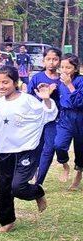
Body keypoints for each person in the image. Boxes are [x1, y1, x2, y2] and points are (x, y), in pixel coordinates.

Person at [0, 66, 56, 232]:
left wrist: (46, 99)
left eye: (5, 82)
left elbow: (49, 114)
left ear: (15, 82)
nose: (1, 86)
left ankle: (37, 191)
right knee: (4, 187)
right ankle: (7, 221)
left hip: (26, 150)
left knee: (18, 187)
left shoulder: (27, 101)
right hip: (4, 153)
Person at [29, 47, 70, 186]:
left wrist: (56, 91)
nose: (51, 62)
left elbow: (66, 100)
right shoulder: (36, 78)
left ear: (59, 61)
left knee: (50, 149)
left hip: (56, 120)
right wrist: (42, 93)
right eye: (48, 59)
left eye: (55, 59)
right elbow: (29, 99)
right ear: (43, 60)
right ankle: (32, 173)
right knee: (36, 148)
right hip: (38, 119)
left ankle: (39, 182)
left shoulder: (63, 80)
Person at [54, 53, 83, 190]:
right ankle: (65, 166)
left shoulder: (80, 81)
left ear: (76, 68)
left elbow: (79, 102)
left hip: (80, 117)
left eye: (68, 67)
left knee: (81, 148)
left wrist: (69, 84)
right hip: (65, 117)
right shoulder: (59, 82)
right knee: (59, 144)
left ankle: (79, 173)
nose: (64, 70)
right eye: (62, 67)